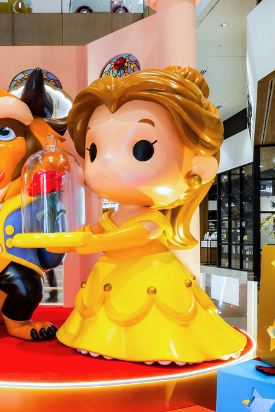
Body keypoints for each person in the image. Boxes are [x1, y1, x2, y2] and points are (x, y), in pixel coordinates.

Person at [29, 66, 247, 364]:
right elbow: (93, 231)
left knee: (158, 316)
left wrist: (91, 243)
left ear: (198, 168)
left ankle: (158, 346)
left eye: (142, 149)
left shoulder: (152, 219)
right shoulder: (113, 214)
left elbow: (134, 235)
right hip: (110, 275)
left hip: (152, 275)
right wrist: (62, 240)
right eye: (93, 151)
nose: (106, 162)